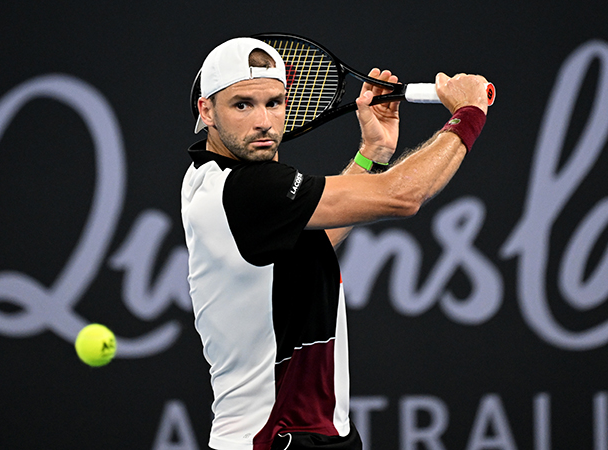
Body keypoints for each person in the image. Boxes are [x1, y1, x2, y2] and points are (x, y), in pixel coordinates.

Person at [181, 37, 491, 450]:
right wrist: (468, 114)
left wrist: (373, 153)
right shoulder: (244, 189)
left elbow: (309, 244)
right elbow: (403, 196)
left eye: (274, 102)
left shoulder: (211, 177)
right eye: (243, 105)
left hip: (318, 433)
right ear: (207, 110)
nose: (264, 121)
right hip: (272, 439)